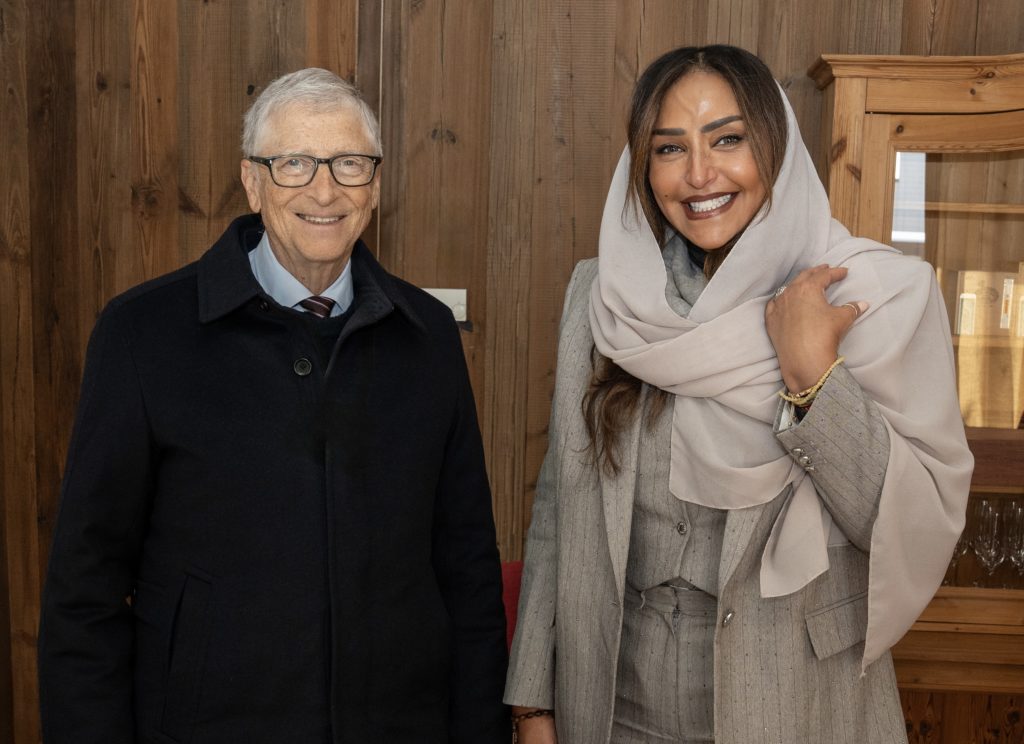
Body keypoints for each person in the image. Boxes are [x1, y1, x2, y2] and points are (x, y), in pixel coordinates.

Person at [504, 45, 973, 744]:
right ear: (643, 169)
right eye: (670, 148)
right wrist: (533, 704)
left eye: (728, 139)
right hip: (613, 704)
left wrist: (813, 377)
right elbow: (561, 503)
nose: (699, 175)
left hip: (796, 703)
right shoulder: (601, 298)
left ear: (776, 150)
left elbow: (905, 521)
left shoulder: (879, 298)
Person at [38, 68, 509, 744]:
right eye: (293, 163)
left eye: (349, 164)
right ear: (253, 182)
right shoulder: (142, 333)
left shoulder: (427, 334)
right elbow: (85, 589)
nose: (325, 190)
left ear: (374, 185)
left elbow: (466, 566)